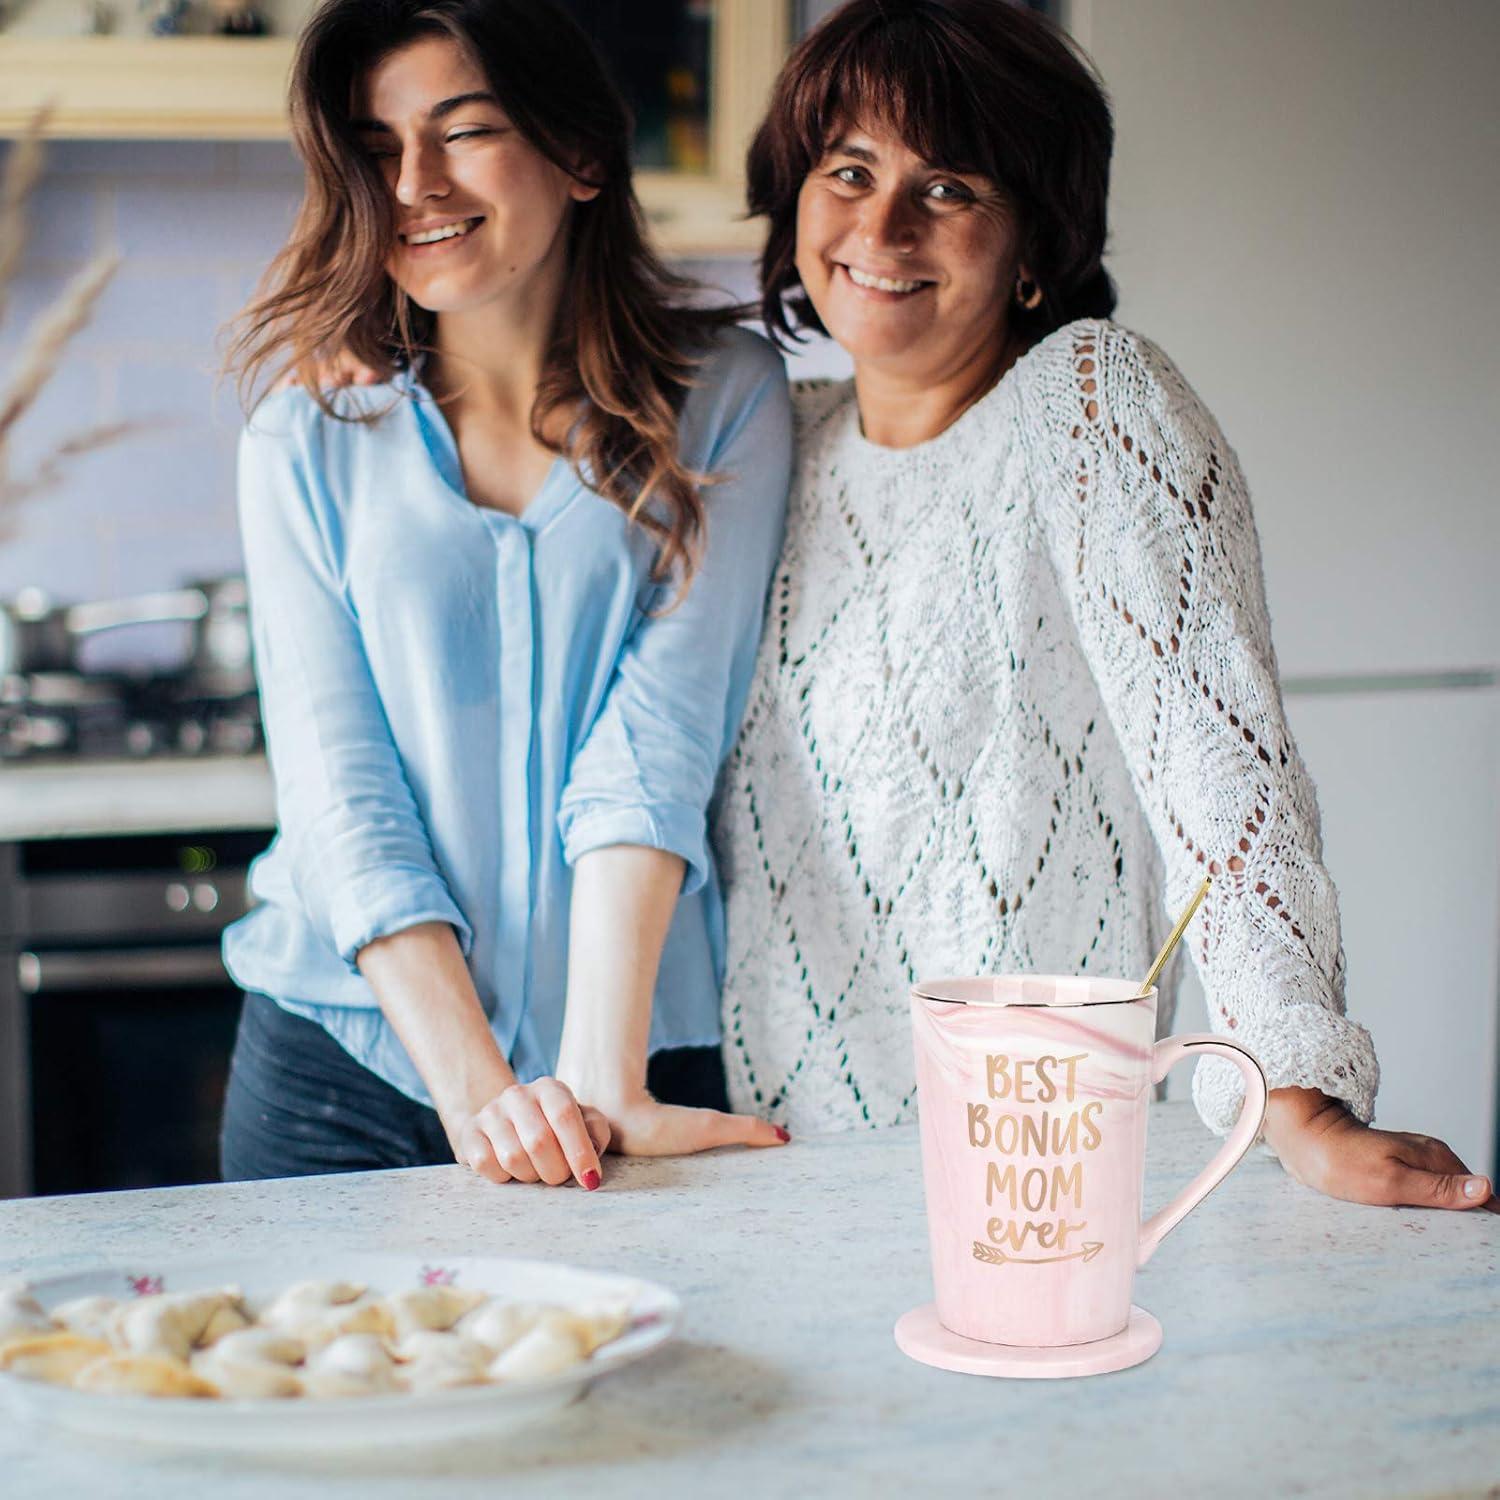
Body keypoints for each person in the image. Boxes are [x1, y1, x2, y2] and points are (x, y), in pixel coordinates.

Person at [713, 0, 1495, 1213]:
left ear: (1036, 244)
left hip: (1032, 1171)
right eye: (848, 170)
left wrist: (1296, 1094)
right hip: (778, 1166)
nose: (880, 225)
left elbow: (1221, 769)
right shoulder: (774, 444)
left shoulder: (1086, 403)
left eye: (951, 187)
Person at [217, 0, 792, 1188]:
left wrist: (592, 1079)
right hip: (345, 1072)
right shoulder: (305, 438)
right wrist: (485, 1098)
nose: (413, 183)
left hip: (631, 1062)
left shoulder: (726, 397)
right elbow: (340, 795)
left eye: (462, 131)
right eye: (375, 152)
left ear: (581, 152)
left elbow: (662, 739)